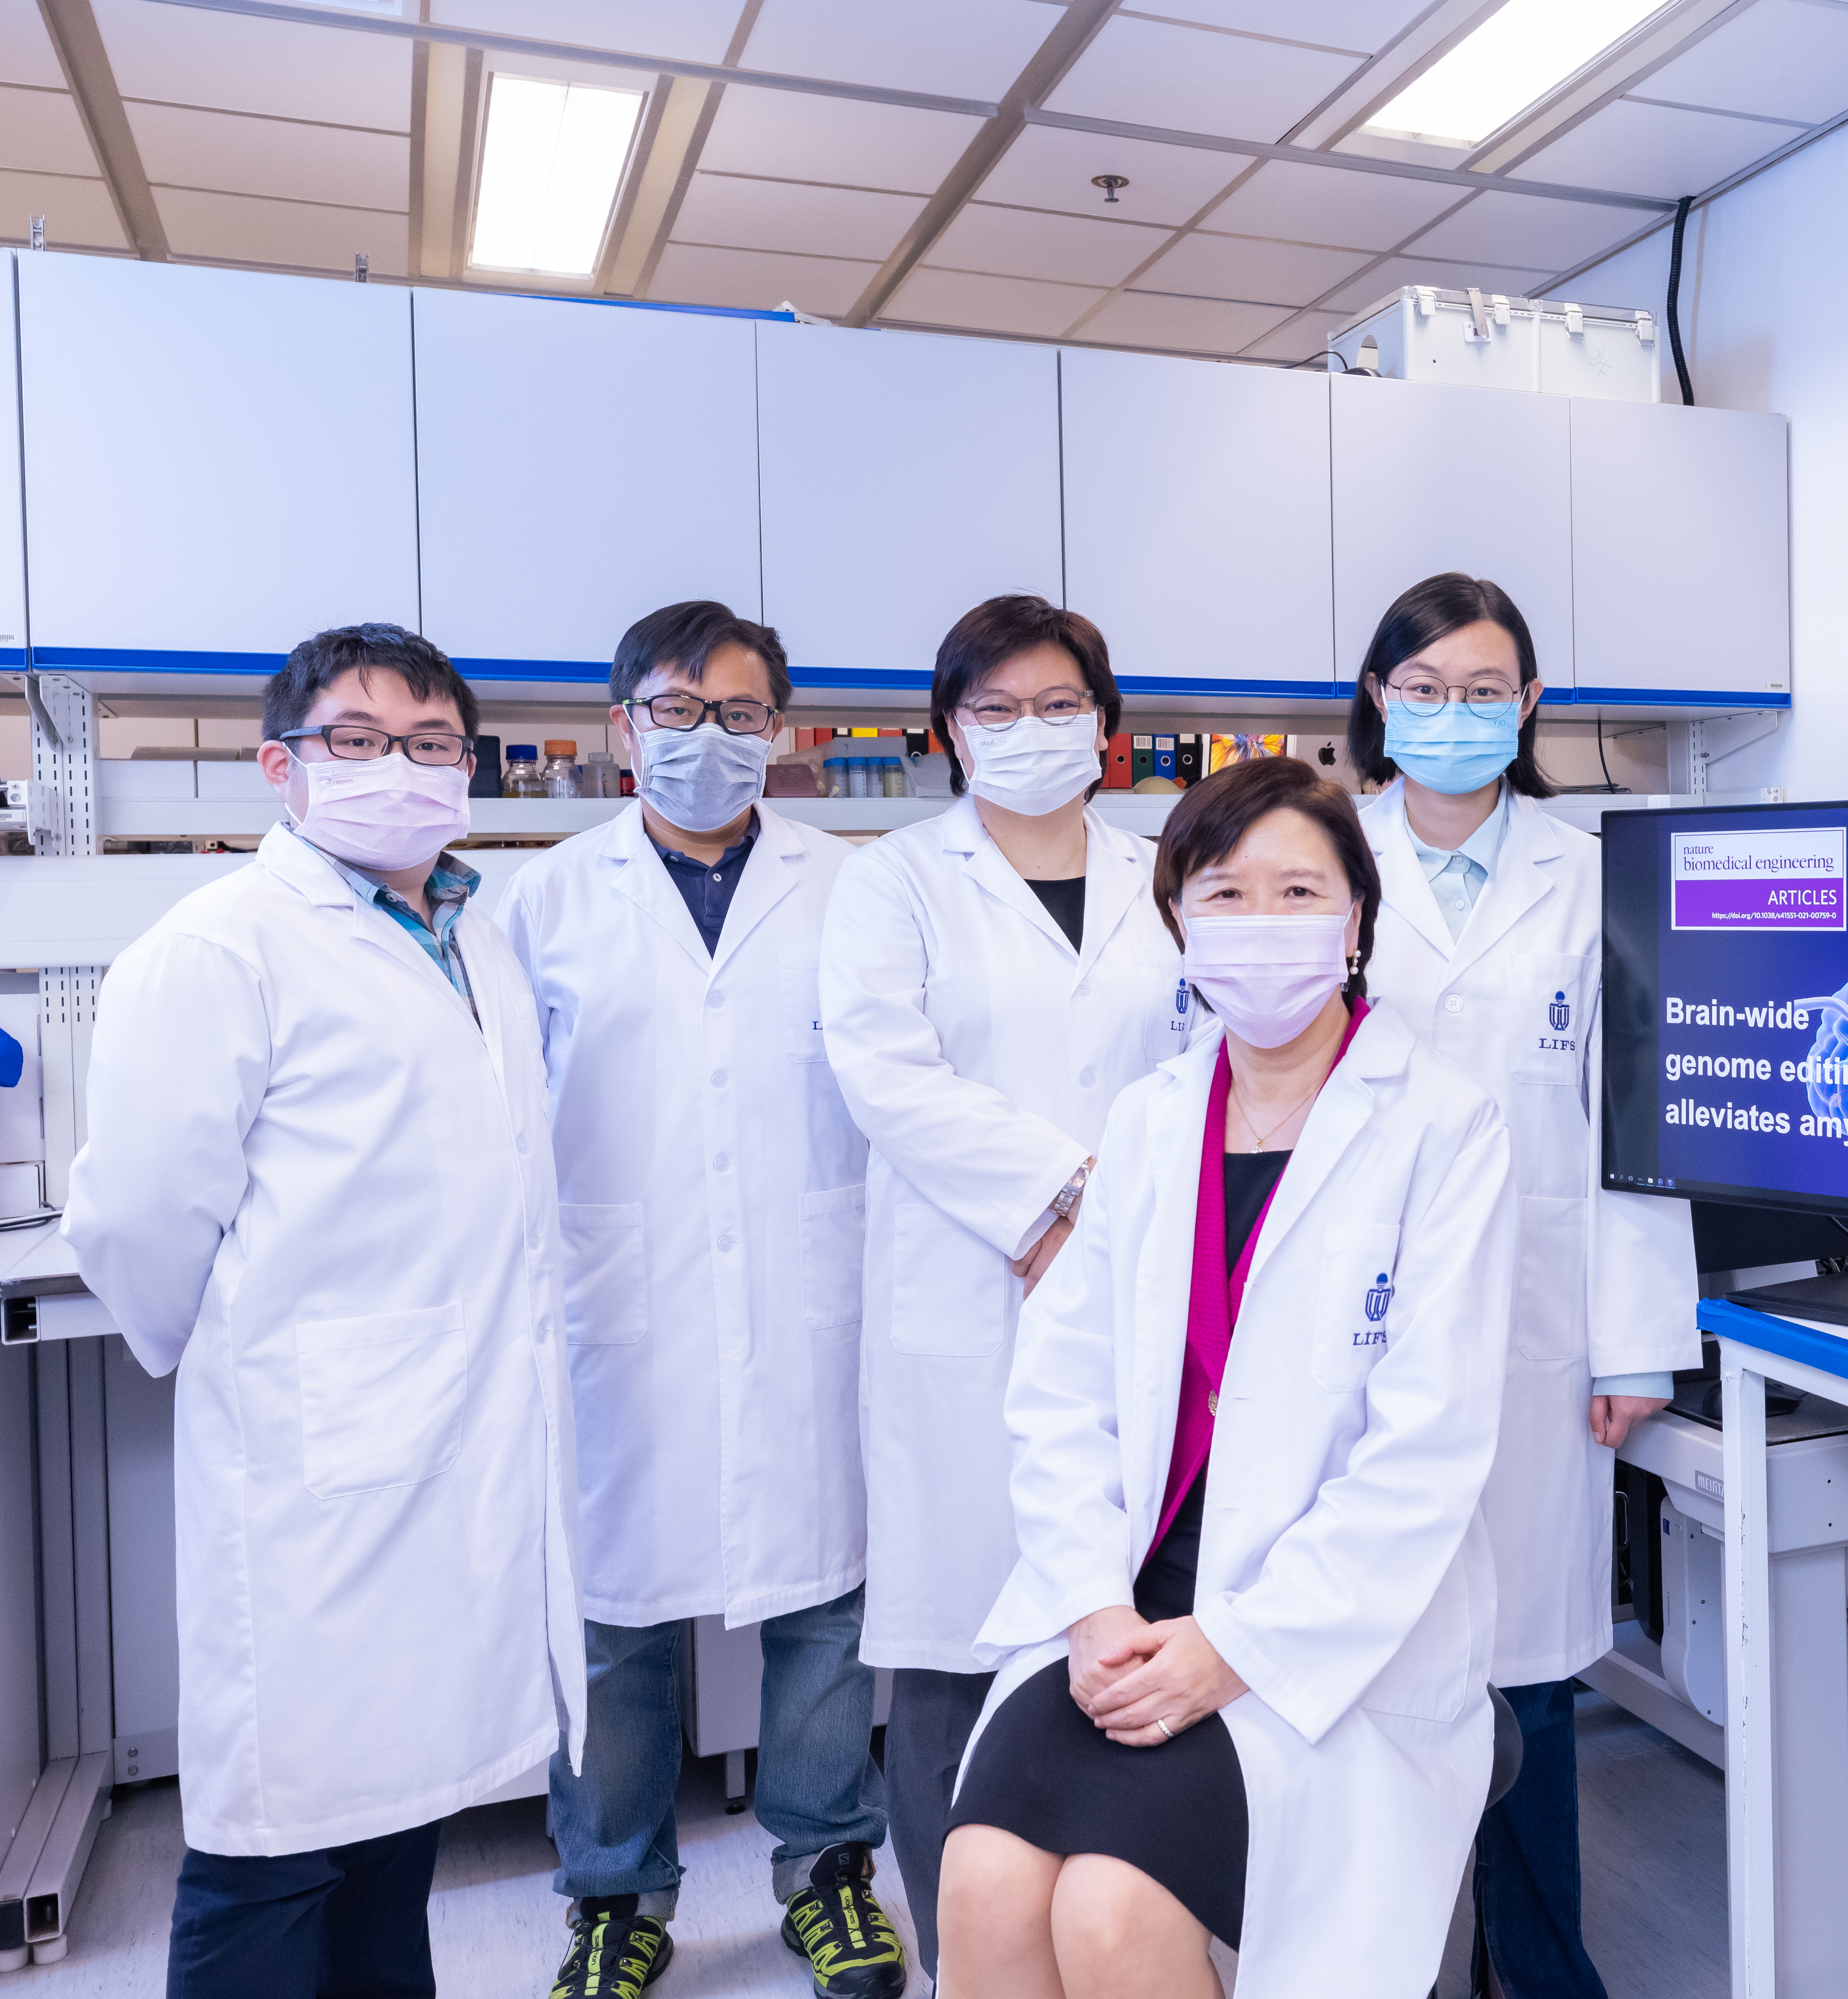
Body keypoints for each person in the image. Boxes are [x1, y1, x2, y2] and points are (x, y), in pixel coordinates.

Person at [939, 755, 1519, 1998]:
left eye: (1298, 889)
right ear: (1178, 921)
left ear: (1356, 919)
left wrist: (1237, 1644)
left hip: (1324, 1633)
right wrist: (1093, 1604)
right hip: (1126, 1603)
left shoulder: (1443, 1124)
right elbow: (1059, 1398)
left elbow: (1426, 1452)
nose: (1263, 924)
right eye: (1225, 892)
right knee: (982, 1877)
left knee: (1110, 1907)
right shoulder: (1148, 1121)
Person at [66, 623, 585, 1999]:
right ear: (279, 766)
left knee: (393, 1832)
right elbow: (137, 1220)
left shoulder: (476, 934)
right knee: (273, 1850)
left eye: (428, 744)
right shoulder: (219, 947)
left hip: (456, 1443)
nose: (396, 770)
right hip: (315, 1463)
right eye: (355, 741)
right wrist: (269, 1361)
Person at [492, 603, 901, 1999]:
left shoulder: (855, 888)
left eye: (739, 713)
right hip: (614, 1307)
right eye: (677, 709)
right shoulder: (537, 902)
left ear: (779, 733)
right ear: (624, 729)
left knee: (827, 1608)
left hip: (813, 1293)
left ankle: (828, 1872)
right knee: (611, 1621)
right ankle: (614, 1896)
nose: (708, 738)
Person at [818, 595, 1192, 1942]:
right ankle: (959, 1950)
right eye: (996, 709)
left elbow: (1214, 1062)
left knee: (1124, 1618)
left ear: (1106, 727)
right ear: (946, 733)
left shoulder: (1170, 873)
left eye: (1058, 706)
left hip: (1154, 1285)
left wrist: (1122, 1213)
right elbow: (884, 1070)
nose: (1030, 731)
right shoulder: (894, 880)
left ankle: (1110, 1921)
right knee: (951, 1642)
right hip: (974, 1290)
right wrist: (1064, 1194)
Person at [1348, 574, 1701, 1999]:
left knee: (1528, 1684)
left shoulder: (1595, 875)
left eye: (1485, 689)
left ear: (1532, 703)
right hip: (1361, 1329)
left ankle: (1543, 1972)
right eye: (1424, 689)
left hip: (1544, 1327)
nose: (1454, 715)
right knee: (1370, 1670)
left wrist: (1636, 1347)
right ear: (1377, 700)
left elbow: (1637, 1134)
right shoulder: (1323, 858)